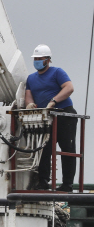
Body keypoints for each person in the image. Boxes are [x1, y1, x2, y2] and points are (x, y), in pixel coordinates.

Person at [25, 44, 77, 192]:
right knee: (44, 149)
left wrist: (54, 101)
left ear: (48, 60)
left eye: (39, 59)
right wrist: (30, 105)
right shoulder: (31, 78)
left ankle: (67, 184)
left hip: (64, 114)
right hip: (46, 117)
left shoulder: (57, 72)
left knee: (67, 148)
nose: (36, 61)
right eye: (35, 59)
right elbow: (29, 96)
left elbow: (69, 88)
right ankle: (43, 181)